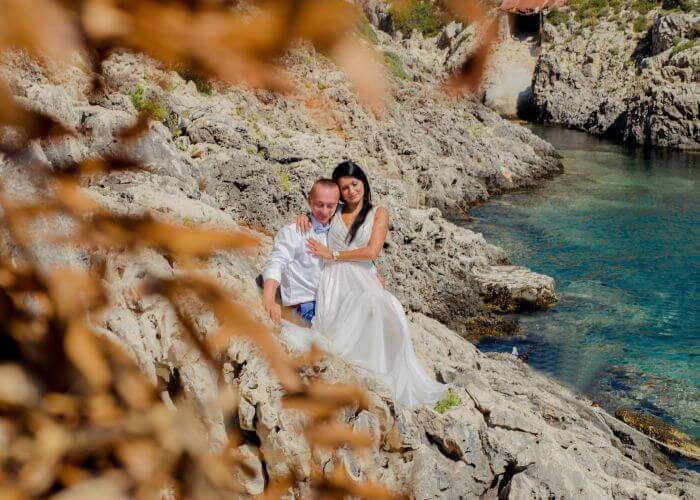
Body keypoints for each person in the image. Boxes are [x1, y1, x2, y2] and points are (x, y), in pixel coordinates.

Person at [288, 161, 447, 408]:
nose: (351, 191)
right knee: (345, 328)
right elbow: (318, 211)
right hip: (334, 280)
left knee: (388, 311)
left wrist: (334, 254)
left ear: (363, 182)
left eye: (354, 184)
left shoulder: (378, 213)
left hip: (362, 275)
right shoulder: (336, 210)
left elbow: (372, 251)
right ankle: (357, 377)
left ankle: (386, 374)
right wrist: (303, 216)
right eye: (344, 188)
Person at [261, 179, 340, 325]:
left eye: (330, 206)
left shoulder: (338, 233)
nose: (324, 211)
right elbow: (276, 262)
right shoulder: (294, 231)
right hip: (305, 308)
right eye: (319, 204)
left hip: (333, 306)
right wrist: (269, 300)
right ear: (309, 201)